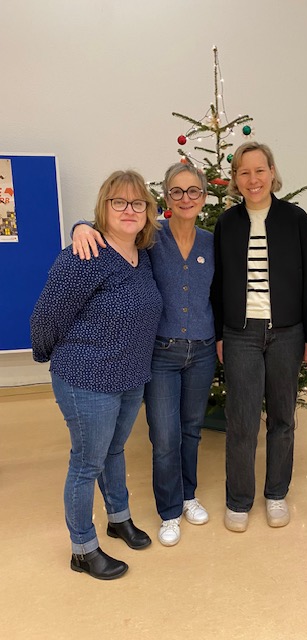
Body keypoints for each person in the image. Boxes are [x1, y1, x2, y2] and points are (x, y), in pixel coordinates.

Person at [71, 163, 216, 547]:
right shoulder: (151, 237)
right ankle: (169, 511)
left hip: (202, 351)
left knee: (191, 430)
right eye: (176, 191)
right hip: (162, 354)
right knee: (165, 436)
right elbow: (111, 230)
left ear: (204, 196)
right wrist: (80, 226)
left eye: (193, 191)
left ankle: (188, 495)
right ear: (165, 196)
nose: (185, 198)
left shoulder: (211, 242)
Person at [30, 170, 163, 580]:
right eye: (118, 202)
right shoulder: (82, 256)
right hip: (86, 378)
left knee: (115, 451)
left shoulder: (144, 255)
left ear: (148, 211)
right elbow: (45, 318)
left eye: (137, 203)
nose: (129, 210)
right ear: (103, 208)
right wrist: (51, 356)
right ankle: (83, 550)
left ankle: (118, 518)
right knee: (87, 463)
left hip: (130, 375)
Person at [211, 141, 307, 532]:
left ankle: (276, 494)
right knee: (241, 420)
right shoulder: (228, 223)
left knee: (282, 417)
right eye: (244, 172)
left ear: (272, 172)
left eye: (259, 170)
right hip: (240, 334)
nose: (252, 179)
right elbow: (217, 283)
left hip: (287, 333)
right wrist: (220, 333)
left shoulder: (296, 219)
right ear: (235, 179)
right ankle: (238, 500)